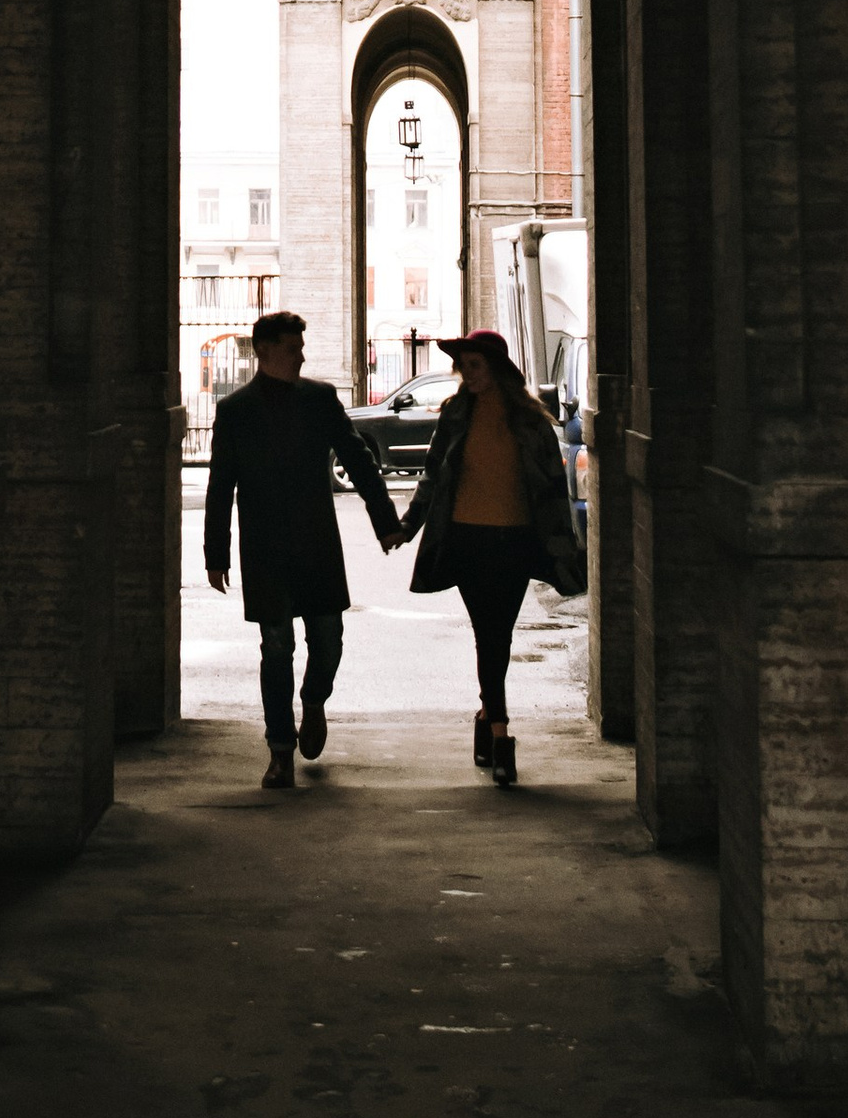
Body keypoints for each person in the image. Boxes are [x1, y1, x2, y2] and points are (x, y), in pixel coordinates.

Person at [204, 308, 404, 789]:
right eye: (293, 348)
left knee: (329, 640)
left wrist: (384, 521)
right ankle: (279, 752)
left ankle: (313, 701)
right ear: (265, 351)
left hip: (316, 543)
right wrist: (216, 554)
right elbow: (219, 485)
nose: (302, 355)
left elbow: (356, 457)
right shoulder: (236, 412)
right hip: (265, 548)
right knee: (275, 648)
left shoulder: (319, 399)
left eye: (301, 347)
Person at [398, 327, 585, 788]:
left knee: (497, 634)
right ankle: (500, 733)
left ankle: (487, 715)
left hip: (516, 541)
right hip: (465, 539)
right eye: (462, 366)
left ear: (497, 368)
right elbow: (433, 476)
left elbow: (553, 495)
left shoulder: (531, 422)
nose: (466, 374)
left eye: (474, 365)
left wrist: (566, 548)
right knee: (489, 633)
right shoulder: (455, 413)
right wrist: (408, 525)